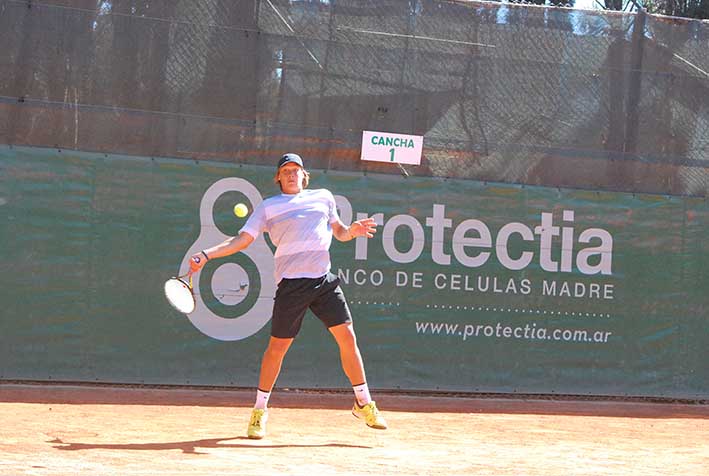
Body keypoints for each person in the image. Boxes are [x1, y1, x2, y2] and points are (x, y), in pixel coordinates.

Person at [189, 153, 387, 439]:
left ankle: (364, 402)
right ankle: (259, 410)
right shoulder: (269, 207)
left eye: (296, 170)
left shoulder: (324, 197)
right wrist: (207, 254)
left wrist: (352, 231)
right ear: (278, 178)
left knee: (348, 337)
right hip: (291, 286)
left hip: (324, 281)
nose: (292, 174)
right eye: (286, 171)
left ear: (304, 175)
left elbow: (340, 233)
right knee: (277, 349)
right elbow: (242, 239)